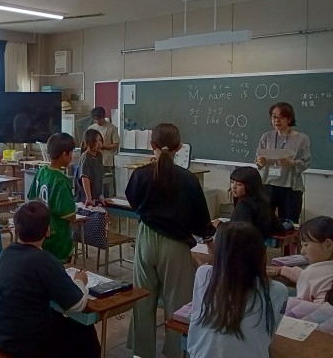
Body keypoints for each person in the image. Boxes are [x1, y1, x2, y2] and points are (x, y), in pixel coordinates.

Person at [125, 123, 215, 358]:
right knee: (177, 302)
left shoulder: (140, 174)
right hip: (175, 244)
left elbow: (133, 201)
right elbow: (200, 218)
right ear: (179, 147)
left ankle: (141, 352)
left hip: (146, 238)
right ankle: (176, 352)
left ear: (151, 145)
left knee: (142, 297)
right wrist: (210, 241)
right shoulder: (188, 179)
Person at [0, 201, 100, 358]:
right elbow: (78, 304)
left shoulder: (6, 253)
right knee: (85, 330)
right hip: (27, 344)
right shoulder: (44, 260)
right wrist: (80, 281)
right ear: (48, 230)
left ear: (16, 228)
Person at [187, 221, 287, 358]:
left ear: (221, 252)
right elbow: (268, 334)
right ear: (259, 253)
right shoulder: (278, 290)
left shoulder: (203, 274)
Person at [255, 102, 311, 223]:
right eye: (274, 116)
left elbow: (306, 162)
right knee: (264, 221)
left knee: (289, 224)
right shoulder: (266, 137)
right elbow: (258, 161)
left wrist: (292, 163)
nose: (276, 120)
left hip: (290, 187)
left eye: (280, 117)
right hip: (268, 185)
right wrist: (260, 161)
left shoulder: (302, 139)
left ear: (289, 119)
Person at [27, 132, 77, 263]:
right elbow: (70, 215)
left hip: (41, 232)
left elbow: (31, 199)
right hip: (57, 237)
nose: (72, 156)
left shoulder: (41, 172)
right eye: (71, 153)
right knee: (57, 268)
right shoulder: (61, 180)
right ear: (64, 155)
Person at [268, 216, 333, 304]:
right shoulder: (317, 273)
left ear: (328, 245)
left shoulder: (311, 273)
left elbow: (300, 304)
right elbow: (306, 277)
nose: (302, 251)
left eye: (305, 245)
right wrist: (282, 270)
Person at [214, 166, 284, 240]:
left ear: (250, 186)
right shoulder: (262, 199)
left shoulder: (244, 206)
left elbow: (239, 234)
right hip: (259, 243)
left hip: (247, 245)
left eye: (239, 184)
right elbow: (278, 227)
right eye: (232, 182)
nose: (234, 187)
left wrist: (220, 225)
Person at [87, 107, 120, 196]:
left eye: (99, 119)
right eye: (95, 119)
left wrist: (103, 147)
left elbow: (116, 145)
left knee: (106, 185)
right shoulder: (91, 128)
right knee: (93, 182)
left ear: (104, 117)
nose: (97, 121)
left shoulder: (112, 128)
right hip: (93, 161)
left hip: (106, 162)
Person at [74, 128, 104, 206]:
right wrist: (88, 198)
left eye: (100, 140)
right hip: (84, 198)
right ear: (88, 143)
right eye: (95, 141)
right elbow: (85, 178)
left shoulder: (99, 155)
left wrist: (99, 196)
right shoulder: (86, 157)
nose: (99, 144)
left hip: (94, 197)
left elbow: (98, 177)